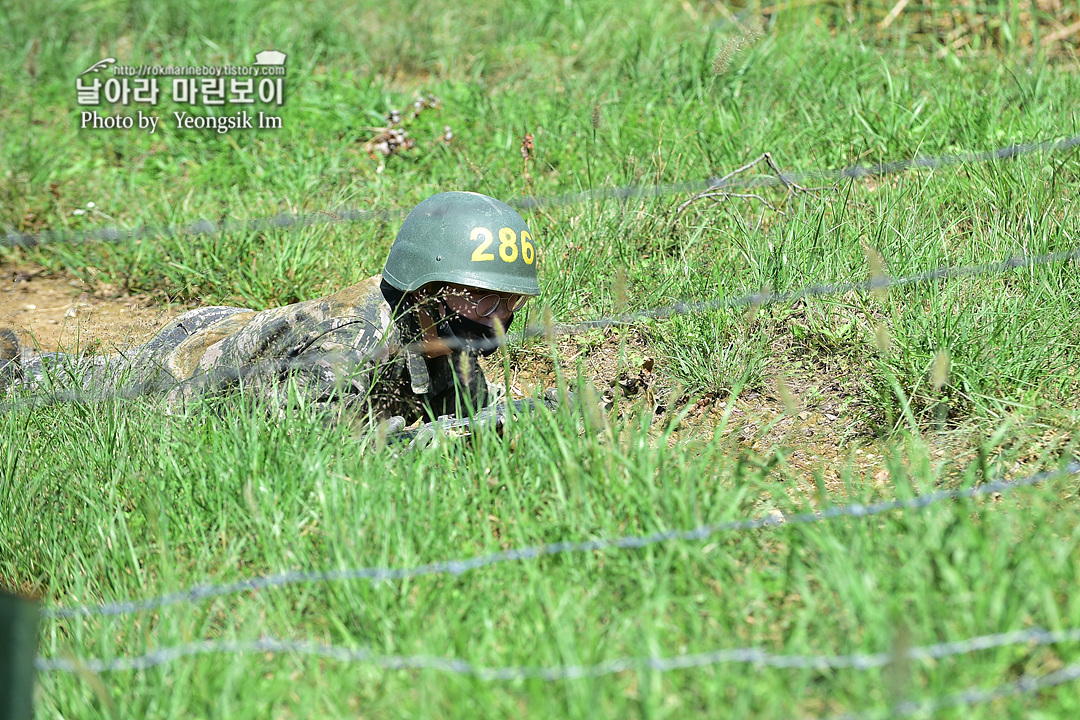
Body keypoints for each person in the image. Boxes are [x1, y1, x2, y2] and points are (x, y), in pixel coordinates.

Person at [0, 191, 540, 429]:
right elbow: (333, 454)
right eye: (479, 294)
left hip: (259, 335)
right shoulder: (349, 346)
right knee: (81, 384)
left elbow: (460, 413)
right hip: (197, 359)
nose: (495, 314)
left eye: (509, 300)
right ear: (424, 285)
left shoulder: (445, 331)